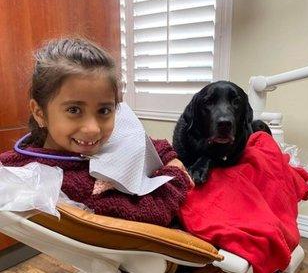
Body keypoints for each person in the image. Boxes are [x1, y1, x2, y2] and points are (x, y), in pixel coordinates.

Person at [0, 37, 192, 226]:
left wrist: (168, 155)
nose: (93, 129)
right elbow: (154, 212)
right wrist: (176, 175)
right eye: (74, 110)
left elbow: (136, 140)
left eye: (104, 111)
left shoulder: (75, 142)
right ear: (39, 113)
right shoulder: (70, 185)